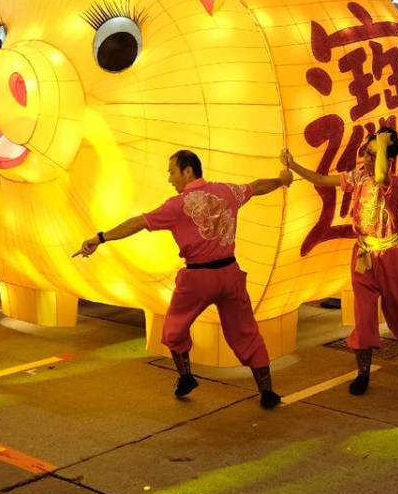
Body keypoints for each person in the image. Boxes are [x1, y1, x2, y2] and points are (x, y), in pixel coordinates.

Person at [77, 150, 291, 407]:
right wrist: (282, 180)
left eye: (172, 172)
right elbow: (256, 187)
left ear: (188, 171)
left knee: (174, 329)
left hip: (197, 279)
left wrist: (100, 238)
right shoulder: (226, 191)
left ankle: (186, 376)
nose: (169, 179)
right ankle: (267, 392)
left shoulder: (177, 205)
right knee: (246, 332)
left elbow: (139, 222)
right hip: (230, 274)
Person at [285, 129, 398, 395]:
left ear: (386, 157)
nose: (366, 160)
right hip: (363, 256)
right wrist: (294, 165)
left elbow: (381, 174)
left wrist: (382, 145)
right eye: (367, 154)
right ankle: (363, 373)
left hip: (392, 256)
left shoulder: (394, 181)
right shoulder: (358, 177)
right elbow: (324, 179)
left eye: (373, 155)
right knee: (364, 316)